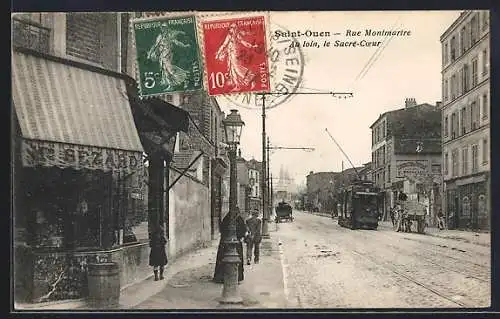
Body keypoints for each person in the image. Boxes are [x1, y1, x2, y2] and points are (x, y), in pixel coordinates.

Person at [213, 207, 247, 284]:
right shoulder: (237, 220)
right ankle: (235, 278)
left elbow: (222, 229)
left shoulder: (228, 219)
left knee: (224, 259)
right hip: (234, 243)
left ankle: (222, 277)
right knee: (232, 259)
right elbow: (243, 230)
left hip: (226, 243)